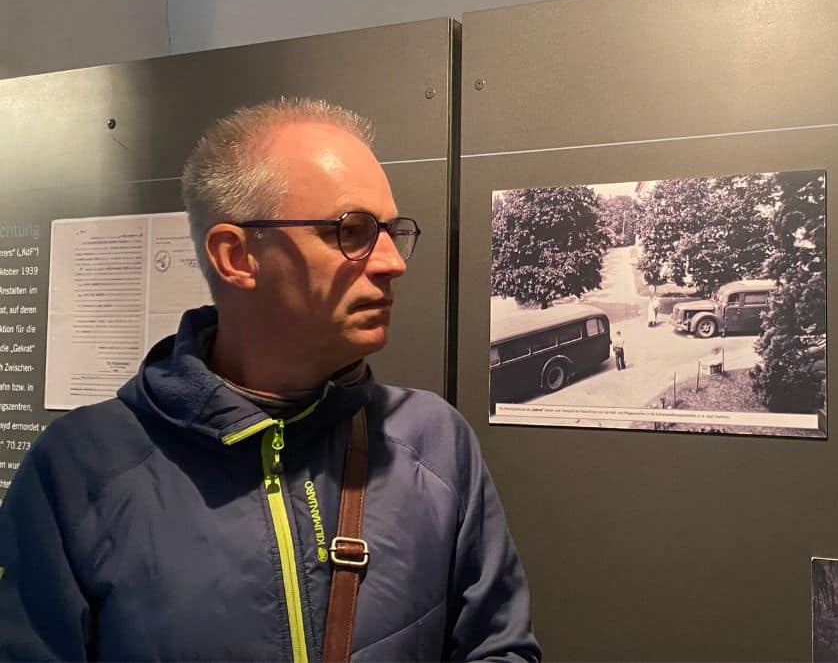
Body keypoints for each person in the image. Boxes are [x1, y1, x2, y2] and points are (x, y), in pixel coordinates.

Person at [0, 99, 540, 662]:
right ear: (236, 256)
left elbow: (497, 648)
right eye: (351, 230)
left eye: (391, 230)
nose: (391, 262)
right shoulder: (77, 471)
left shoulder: (433, 441)